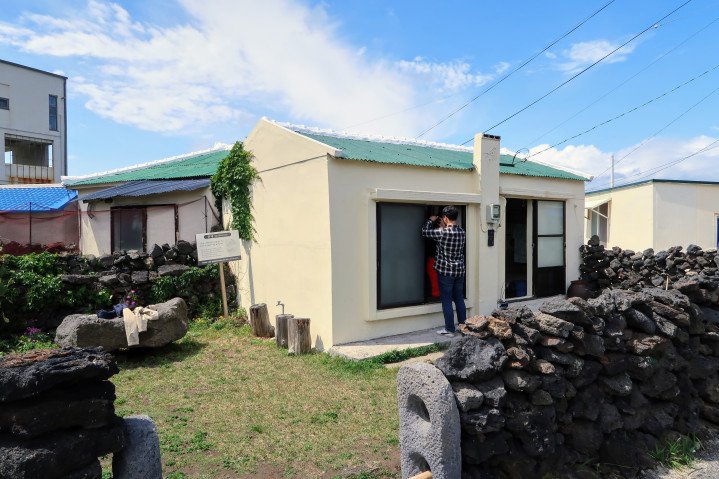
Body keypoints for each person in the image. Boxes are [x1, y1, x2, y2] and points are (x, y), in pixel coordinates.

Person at [421, 206, 466, 336]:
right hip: (459, 271)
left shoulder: (442, 232)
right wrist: (443, 226)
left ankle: (450, 329)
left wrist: (430, 220)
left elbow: (424, 232)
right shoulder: (462, 232)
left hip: (446, 272)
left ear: (445, 218)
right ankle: (463, 327)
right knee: (459, 299)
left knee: (446, 300)